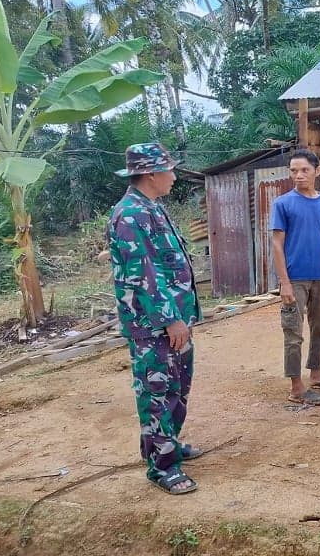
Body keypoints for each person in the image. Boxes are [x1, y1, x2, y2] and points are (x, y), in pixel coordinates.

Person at [108, 143, 202, 495]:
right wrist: (170, 320)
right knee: (157, 391)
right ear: (150, 174)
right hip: (154, 326)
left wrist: (181, 317)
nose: (174, 176)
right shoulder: (131, 214)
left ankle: (167, 445)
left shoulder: (151, 207)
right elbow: (144, 274)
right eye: (169, 170)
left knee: (176, 387)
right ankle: (162, 467)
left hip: (174, 319)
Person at [271, 148, 320, 406]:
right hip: (295, 278)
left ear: (318, 170)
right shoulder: (283, 204)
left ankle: (316, 374)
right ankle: (296, 387)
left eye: (304, 170)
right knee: (293, 331)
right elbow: (277, 244)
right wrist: (285, 283)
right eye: (294, 171)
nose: (299, 175)